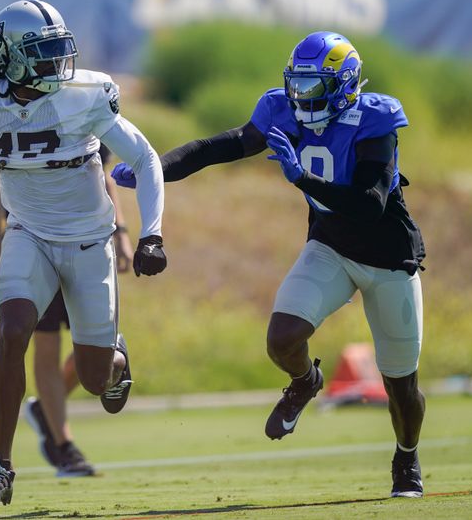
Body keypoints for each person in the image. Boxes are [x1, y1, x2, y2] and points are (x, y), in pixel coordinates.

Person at [112, 31, 426, 498]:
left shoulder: (375, 118)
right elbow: (219, 146)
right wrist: (152, 168)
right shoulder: (280, 109)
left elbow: (370, 204)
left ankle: (406, 456)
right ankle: (305, 381)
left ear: (344, 85)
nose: (301, 97)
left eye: (314, 86)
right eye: (297, 85)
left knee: (402, 387)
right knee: (282, 338)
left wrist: (304, 178)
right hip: (332, 246)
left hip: (387, 256)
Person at [0, 0, 168, 508]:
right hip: (28, 234)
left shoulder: (85, 95)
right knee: (13, 331)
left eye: (59, 50)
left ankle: (116, 361)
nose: (58, 64)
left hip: (88, 240)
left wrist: (150, 233)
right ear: (10, 58)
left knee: (97, 379)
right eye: (43, 53)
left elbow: (143, 157)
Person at [0, 145, 134, 477]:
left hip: (85, 243)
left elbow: (102, 175)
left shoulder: (80, 100)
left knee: (90, 355)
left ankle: (47, 407)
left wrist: (121, 232)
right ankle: (63, 446)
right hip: (33, 245)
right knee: (44, 345)